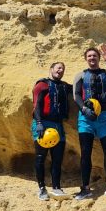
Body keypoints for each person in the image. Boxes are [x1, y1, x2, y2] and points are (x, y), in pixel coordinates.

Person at [73, 47, 106, 200]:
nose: (92, 58)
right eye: (89, 56)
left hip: (104, 117)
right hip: (85, 117)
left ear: (99, 58)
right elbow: (76, 95)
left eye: (94, 55)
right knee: (85, 153)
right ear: (85, 58)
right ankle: (85, 188)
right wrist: (83, 109)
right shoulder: (80, 75)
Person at [32, 61, 72, 200]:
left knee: (57, 158)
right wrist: (38, 123)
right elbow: (36, 105)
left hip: (58, 125)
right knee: (40, 157)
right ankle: (42, 188)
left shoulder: (64, 86)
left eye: (63, 68)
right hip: (42, 123)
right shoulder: (42, 85)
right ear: (51, 69)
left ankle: (56, 187)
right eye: (58, 68)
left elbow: (78, 90)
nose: (60, 70)